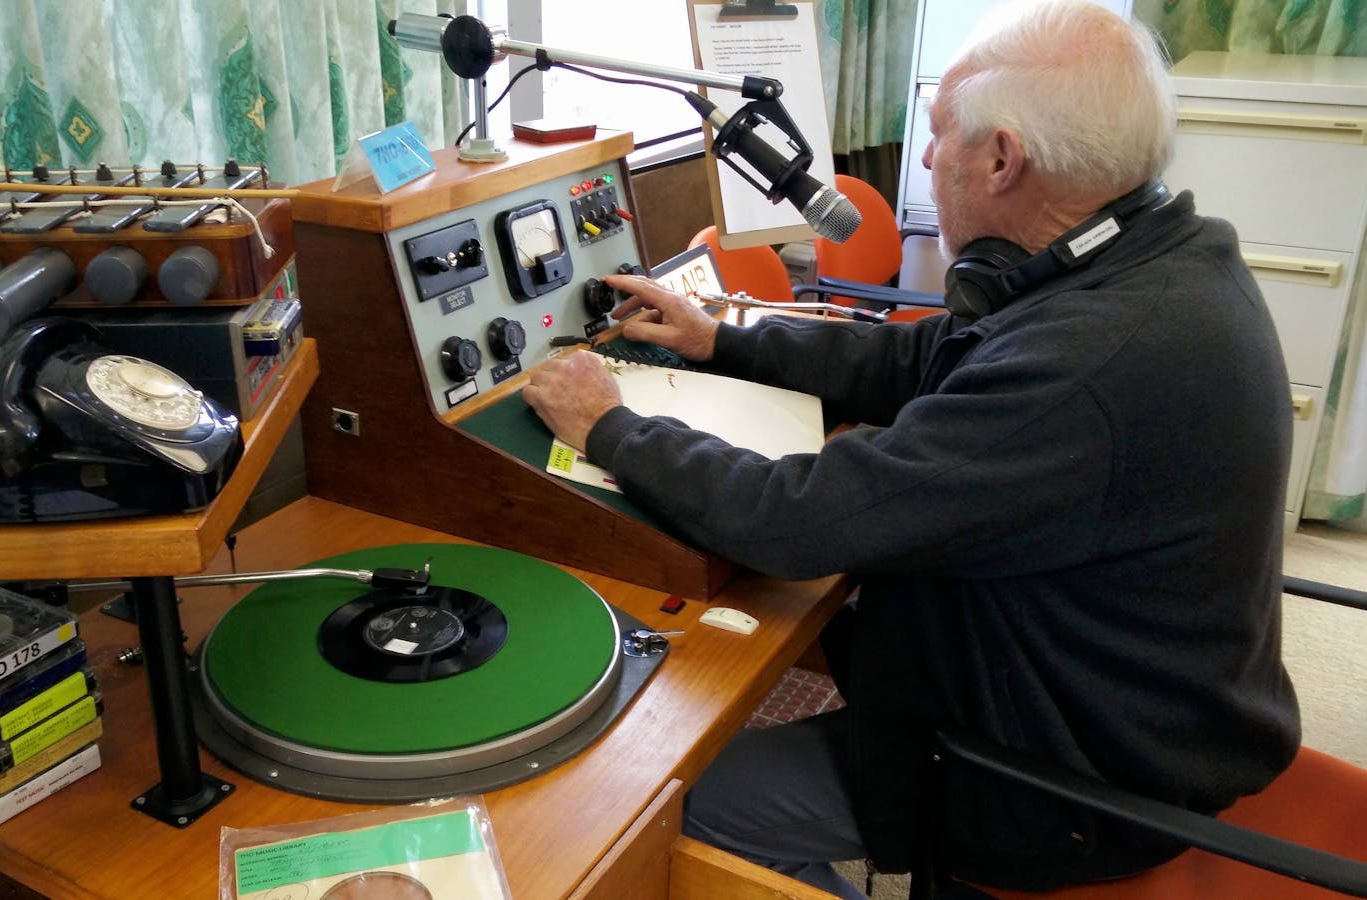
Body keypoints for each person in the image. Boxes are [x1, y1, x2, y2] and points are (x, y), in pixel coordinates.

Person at [520, 0, 1300, 894]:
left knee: (677, 806)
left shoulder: (1090, 363)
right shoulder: (1153, 258)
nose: (927, 160)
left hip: (1069, 779)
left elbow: (795, 522)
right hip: (1126, 696)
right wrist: (723, 341)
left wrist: (610, 426)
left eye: (939, 135)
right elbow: (926, 356)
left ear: (1002, 158)